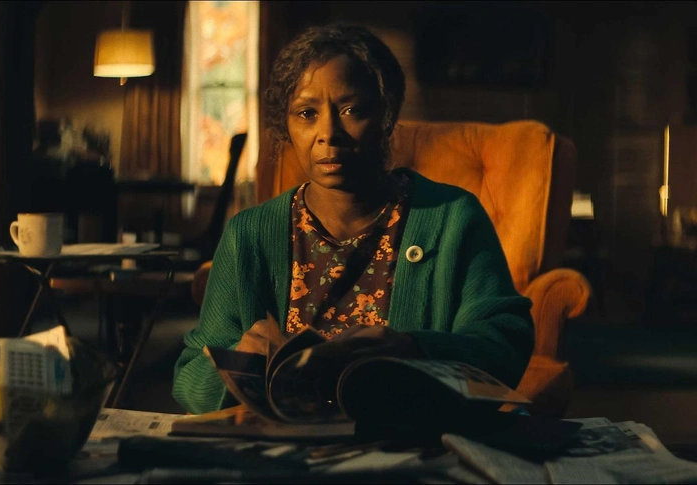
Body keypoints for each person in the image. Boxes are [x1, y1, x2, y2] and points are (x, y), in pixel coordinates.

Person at [173, 23, 534, 415]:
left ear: (387, 115)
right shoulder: (249, 234)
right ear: (285, 126)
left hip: (407, 438)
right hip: (285, 443)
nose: (329, 133)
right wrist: (239, 362)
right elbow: (189, 377)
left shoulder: (452, 218)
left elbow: (503, 346)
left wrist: (414, 347)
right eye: (307, 113)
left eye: (352, 110)